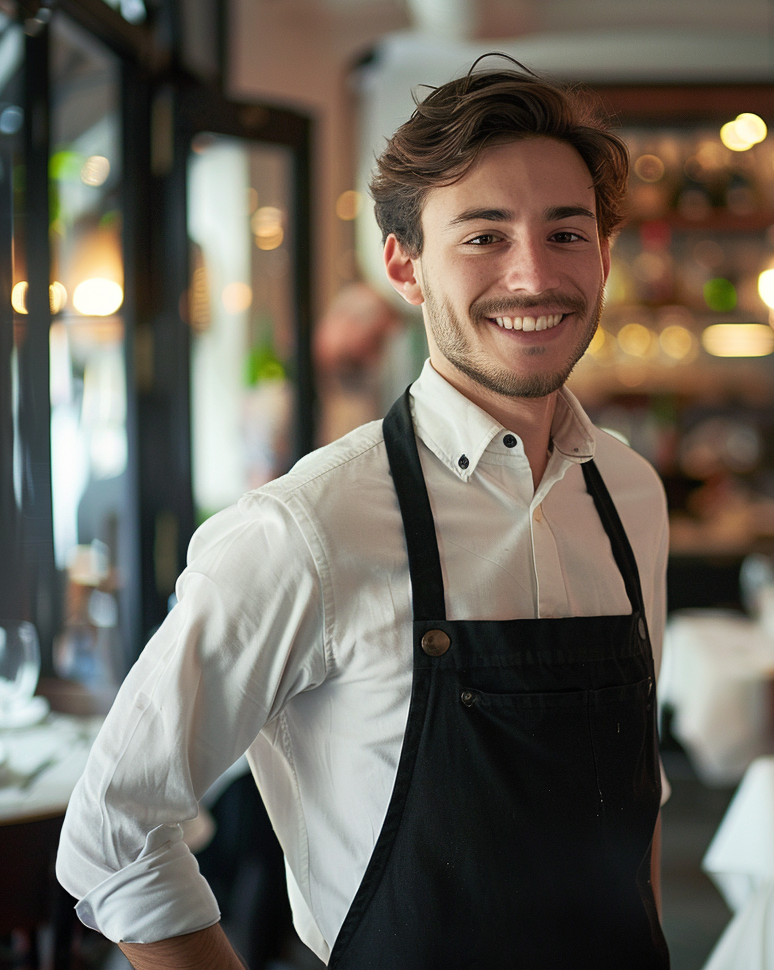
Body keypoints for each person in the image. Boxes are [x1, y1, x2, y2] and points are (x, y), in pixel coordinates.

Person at [57, 59, 671, 969]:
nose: (535, 274)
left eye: (567, 232)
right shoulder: (305, 528)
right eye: (484, 236)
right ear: (404, 265)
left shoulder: (631, 494)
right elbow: (114, 830)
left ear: (606, 254)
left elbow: (637, 801)